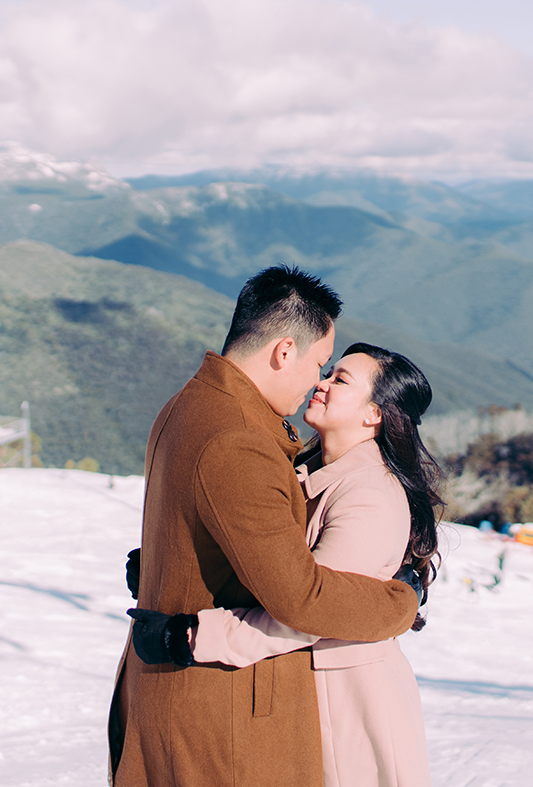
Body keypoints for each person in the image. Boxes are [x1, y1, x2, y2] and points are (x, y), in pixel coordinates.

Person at [108, 266, 421, 787]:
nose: (317, 381)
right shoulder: (240, 438)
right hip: (220, 713)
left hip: (207, 694)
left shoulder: (189, 404)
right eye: (322, 364)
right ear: (283, 352)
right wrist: (397, 602)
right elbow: (302, 599)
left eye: (335, 373)